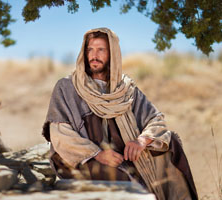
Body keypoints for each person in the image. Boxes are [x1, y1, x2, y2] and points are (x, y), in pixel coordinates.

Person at [42, 28, 198, 200]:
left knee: (171, 144)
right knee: (125, 181)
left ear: (113, 54)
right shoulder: (66, 87)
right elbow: (59, 134)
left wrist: (141, 141)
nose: (94, 55)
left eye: (101, 50)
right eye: (90, 49)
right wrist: (97, 154)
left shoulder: (126, 89)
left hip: (123, 154)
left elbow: (156, 119)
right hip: (85, 159)